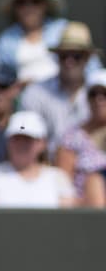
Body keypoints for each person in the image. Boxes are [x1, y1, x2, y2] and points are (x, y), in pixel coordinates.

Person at [20, 21, 97, 150]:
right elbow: (24, 133)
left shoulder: (100, 93)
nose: (69, 61)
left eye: (76, 56)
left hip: (93, 165)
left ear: (87, 58)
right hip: (48, 165)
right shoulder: (36, 92)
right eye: (64, 55)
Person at [0, 111, 76, 207]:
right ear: (7, 141)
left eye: (28, 139)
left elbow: (66, 217)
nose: (21, 144)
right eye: (17, 138)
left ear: (42, 143)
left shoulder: (58, 177)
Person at [0, 0, 68, 85]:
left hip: (61, 95)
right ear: (15, 8)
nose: (29, 7)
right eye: (21, 2)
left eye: (35, 1)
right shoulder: (6, 39)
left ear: (45, 5)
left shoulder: (62, 29)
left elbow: (89, 68)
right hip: (22, 98)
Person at [53, 71, 106, 208]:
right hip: (87, 212)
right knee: (94, 182)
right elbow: (63, 186)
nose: (99, 100)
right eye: (93, 94)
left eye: (104, 94)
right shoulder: (73, 137)